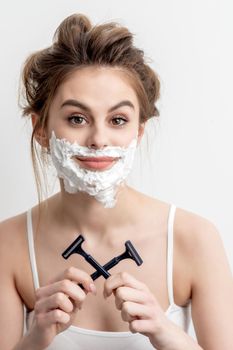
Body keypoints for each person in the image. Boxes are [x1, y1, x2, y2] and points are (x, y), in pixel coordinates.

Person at [0, 13, 232, 350]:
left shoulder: (194, 238)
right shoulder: (8, 244)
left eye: (118, 119)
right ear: (41, 130)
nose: (98, 138)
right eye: (76, 118)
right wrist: (37, 338)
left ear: (138, 132)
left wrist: (166, 333)